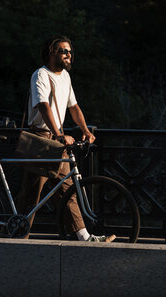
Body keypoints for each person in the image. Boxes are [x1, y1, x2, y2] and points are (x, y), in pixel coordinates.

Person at [17, 35, 115, 242]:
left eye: (70, 51)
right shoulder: (41, 75)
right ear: (52, 52)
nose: (69, 54)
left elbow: (74, 107)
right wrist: (60, 134)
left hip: (57, 140)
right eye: (64, 51)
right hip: (42, 138)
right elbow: (43, 106)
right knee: (32, 194)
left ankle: (84, 236)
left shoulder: (65, 77)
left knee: (67, 188)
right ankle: (19, 238)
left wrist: (86, 131)